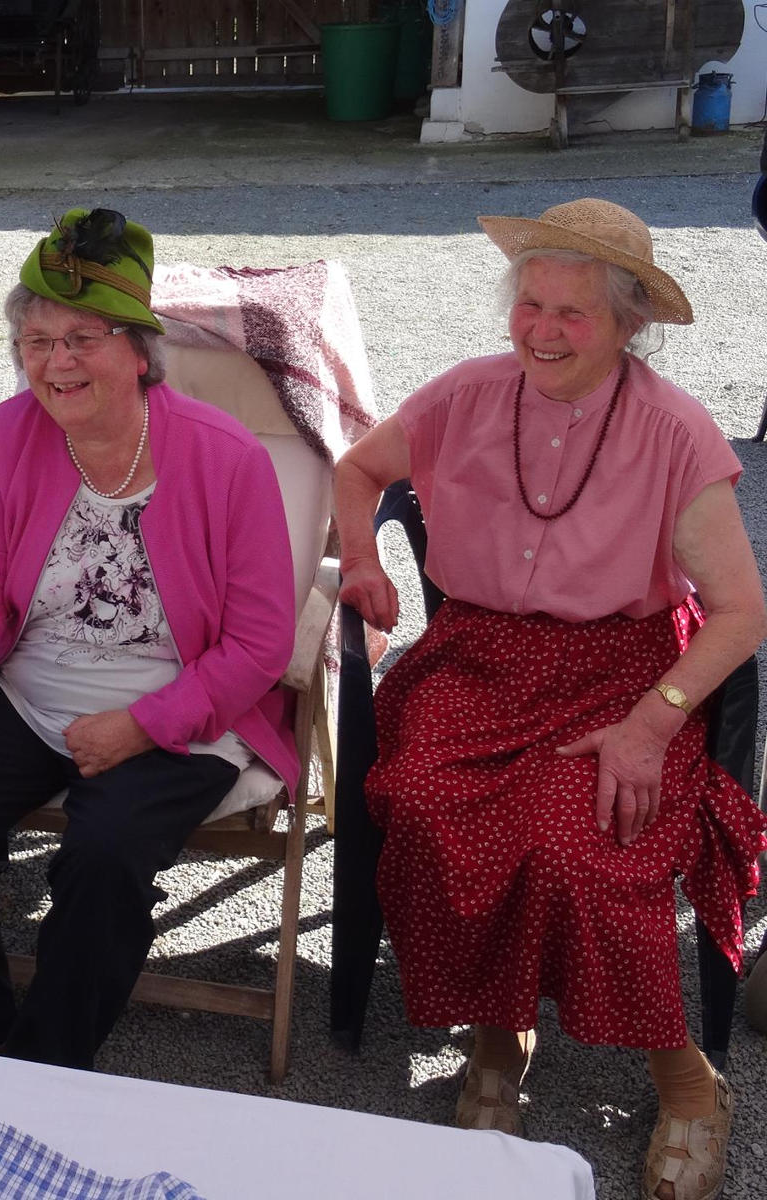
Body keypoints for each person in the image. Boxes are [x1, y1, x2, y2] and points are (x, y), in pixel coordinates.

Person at [336, 199, 766, 1200]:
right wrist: (359, 562)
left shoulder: (673, 429)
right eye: (530, 303)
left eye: (574, 313)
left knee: (589, 846)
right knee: (433, 813)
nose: (543, 329)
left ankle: (688, 1082)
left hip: (620, 674)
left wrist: (655, 724)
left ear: (626, 325)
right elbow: (356, 470)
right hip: (476, 662)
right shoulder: (465, 396)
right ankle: (497, 1038)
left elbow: (742, 614)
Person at [0, 208, 297, 1069]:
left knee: (102, 853)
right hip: (34, 694)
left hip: (181, 713)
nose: (56, 362)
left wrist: (143, 725)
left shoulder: (226, 459)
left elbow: (259, 642)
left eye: (82, 338)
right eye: (35, 339)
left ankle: (47, 1065)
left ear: (140, 350)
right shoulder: (15, 435)